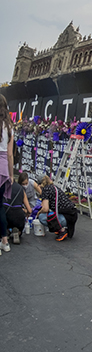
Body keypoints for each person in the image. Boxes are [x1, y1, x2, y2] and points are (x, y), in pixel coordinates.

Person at [39, 174, 77, 241]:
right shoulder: (54, 187)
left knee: (42, 217)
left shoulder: (45, 189)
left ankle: (61, 229)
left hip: (67, 216)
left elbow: (45, 209)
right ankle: (61, 228)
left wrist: (38, 213)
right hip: (72, 214)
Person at [0, 95, 15, 254]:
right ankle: (5, 241)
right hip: (3, 168)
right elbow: (10, 155)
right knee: (0, 206)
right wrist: (11, 175)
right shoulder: (9, 127)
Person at [3, 173, 32, 244]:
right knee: (18, 221)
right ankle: (17, 232)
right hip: (18, 216)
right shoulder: (21, 189)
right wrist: (26, 213)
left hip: (5, 215)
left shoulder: (3, 187)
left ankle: (6, 232)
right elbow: (29, 210)